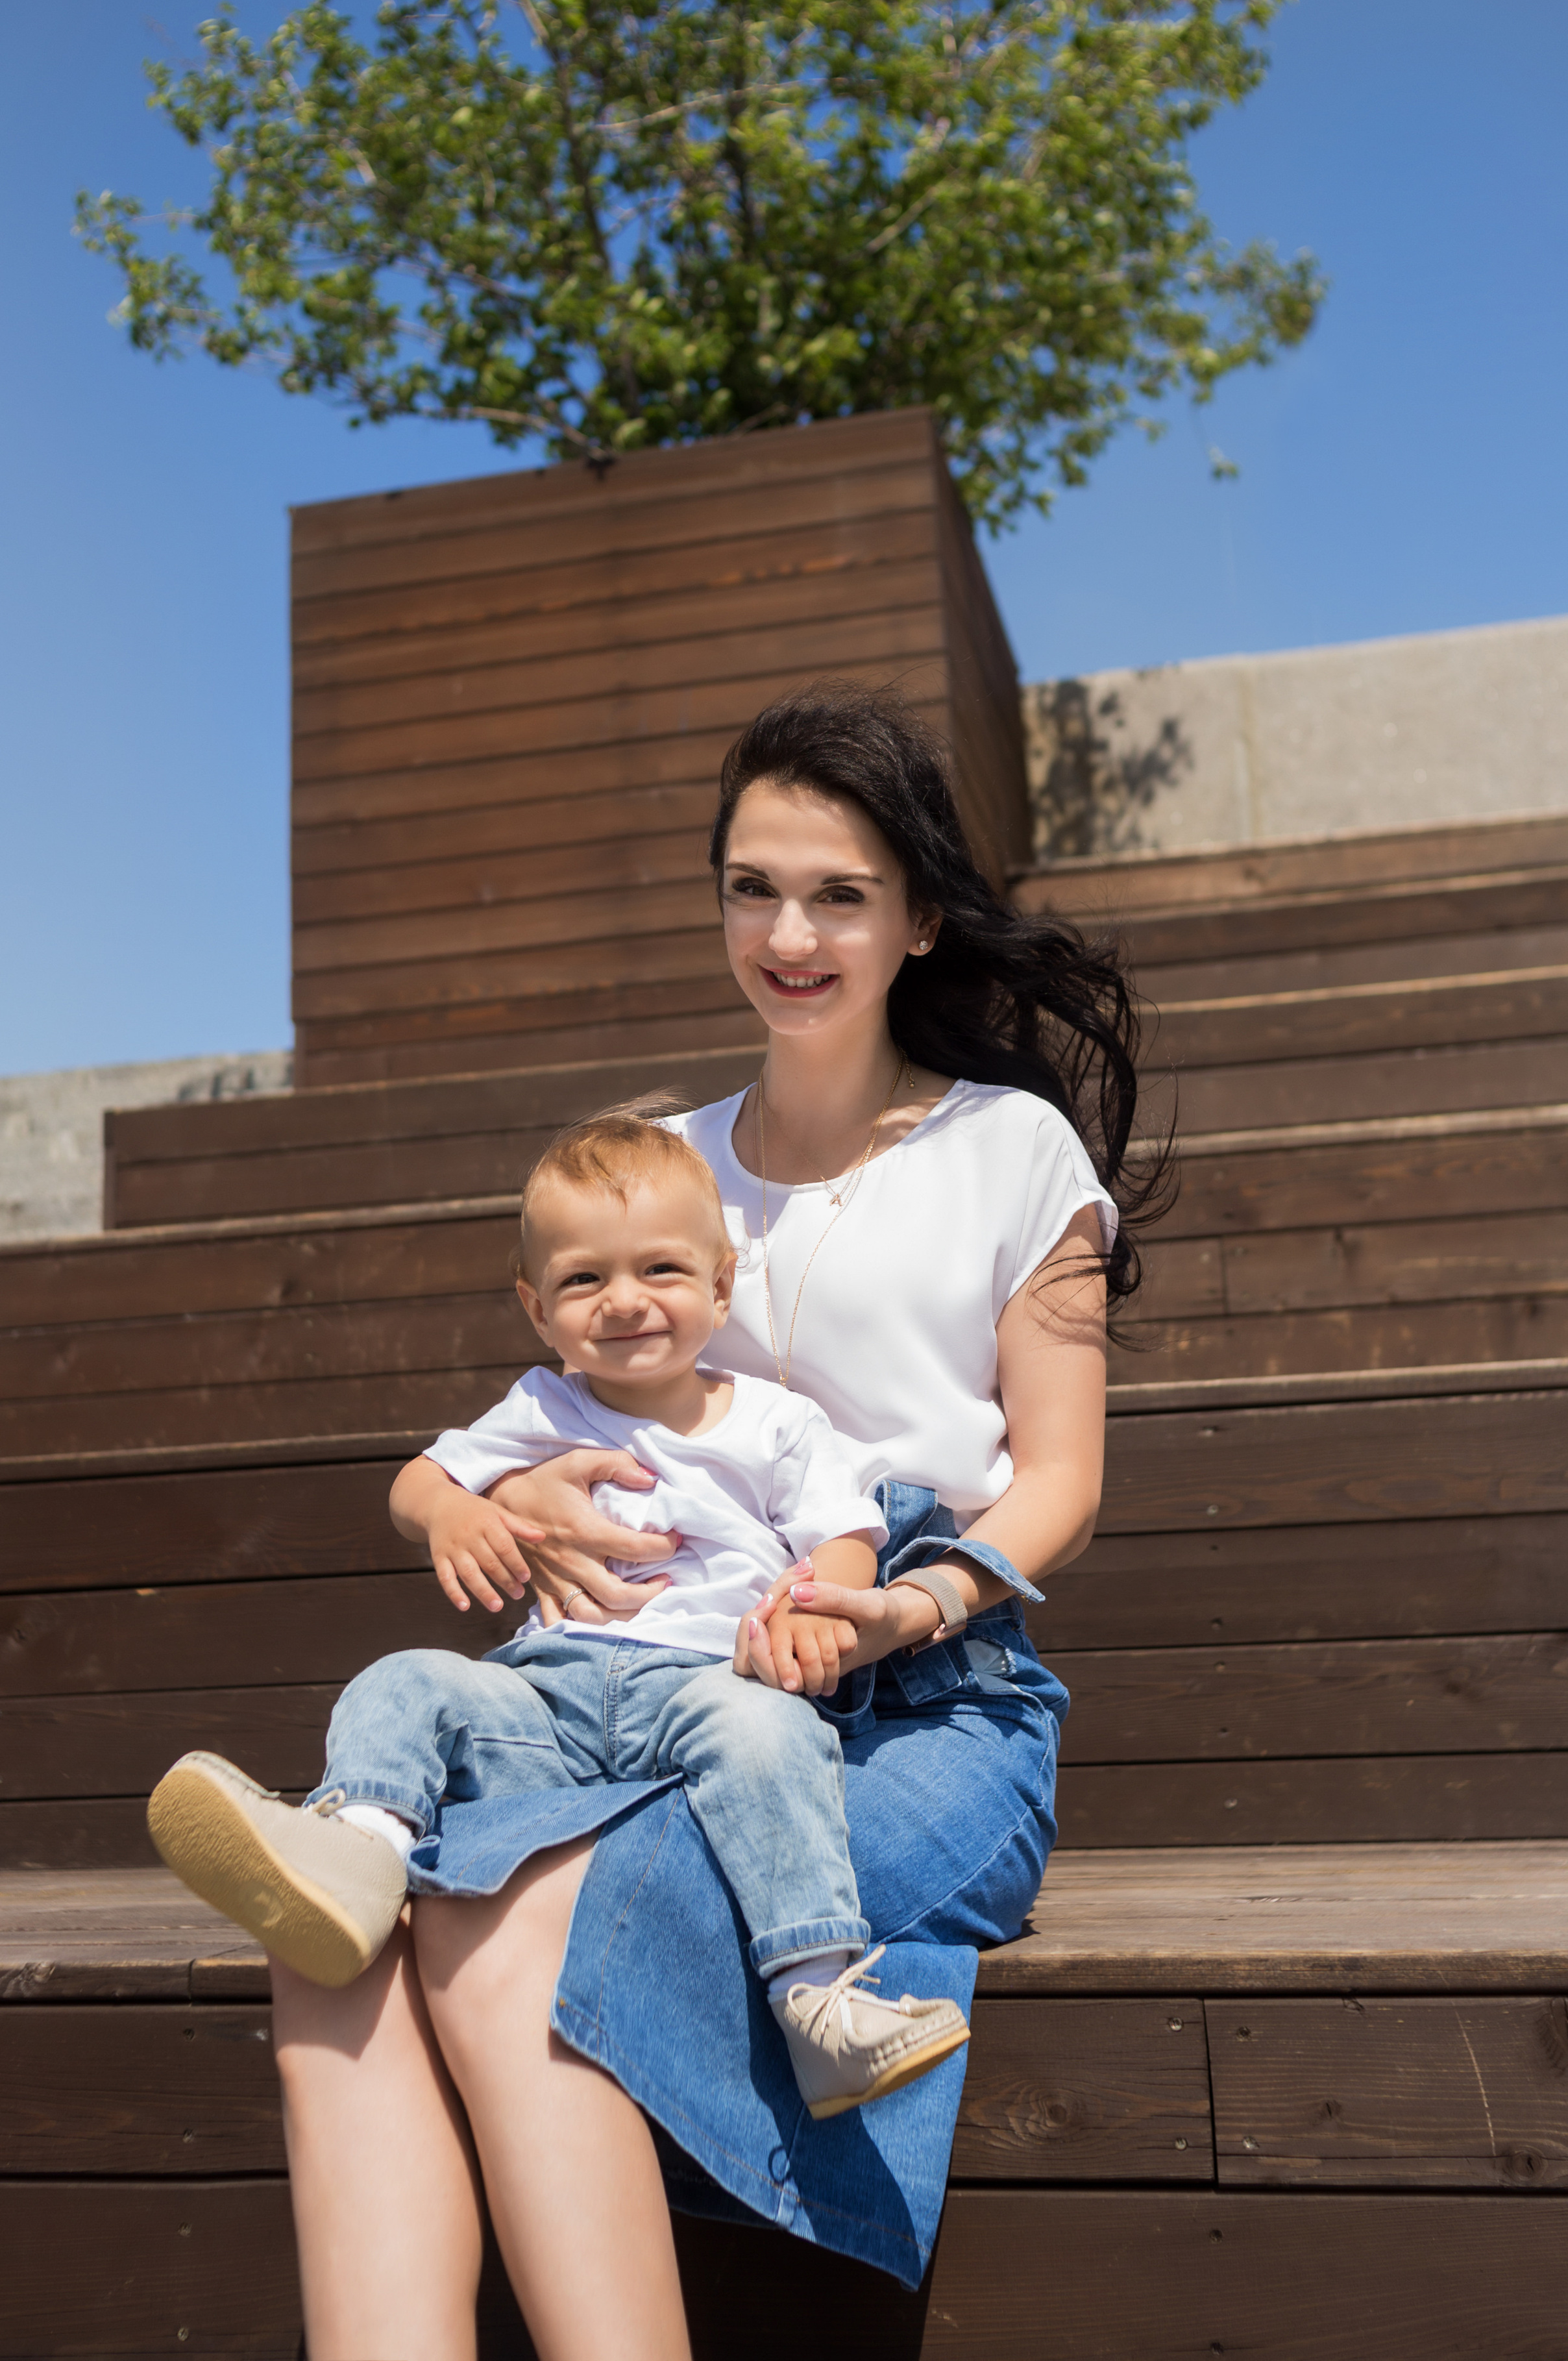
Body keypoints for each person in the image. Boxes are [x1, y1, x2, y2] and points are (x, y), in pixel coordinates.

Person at [269, 684, 1164, 2361]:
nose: (791, 932)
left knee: (513, 1905)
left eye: (837, 892)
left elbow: (1063, 1480)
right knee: (334, 1919)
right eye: (753, 887)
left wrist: (906, 1607)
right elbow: (564, 1414)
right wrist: (519, 1500)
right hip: (657, 1666)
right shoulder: (661, 1165)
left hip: (920, 1687)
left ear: (914, 917)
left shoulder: (1012, 1151)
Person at [147, 1112, 971, 2120]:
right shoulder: (544, 1404)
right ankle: (360, 1856)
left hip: (706, 1688)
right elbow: (416, 1486)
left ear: (721, 1286)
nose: (623, 1302)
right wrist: (453, 1510)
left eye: (661, 1270)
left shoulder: (772, 1420)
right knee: (406, 1680)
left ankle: (817, 1999)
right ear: (538, 1309)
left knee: (772, 1734)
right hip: (544, 1703)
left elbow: (845, 1536)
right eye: (584, 1280)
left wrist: (814, 1606)